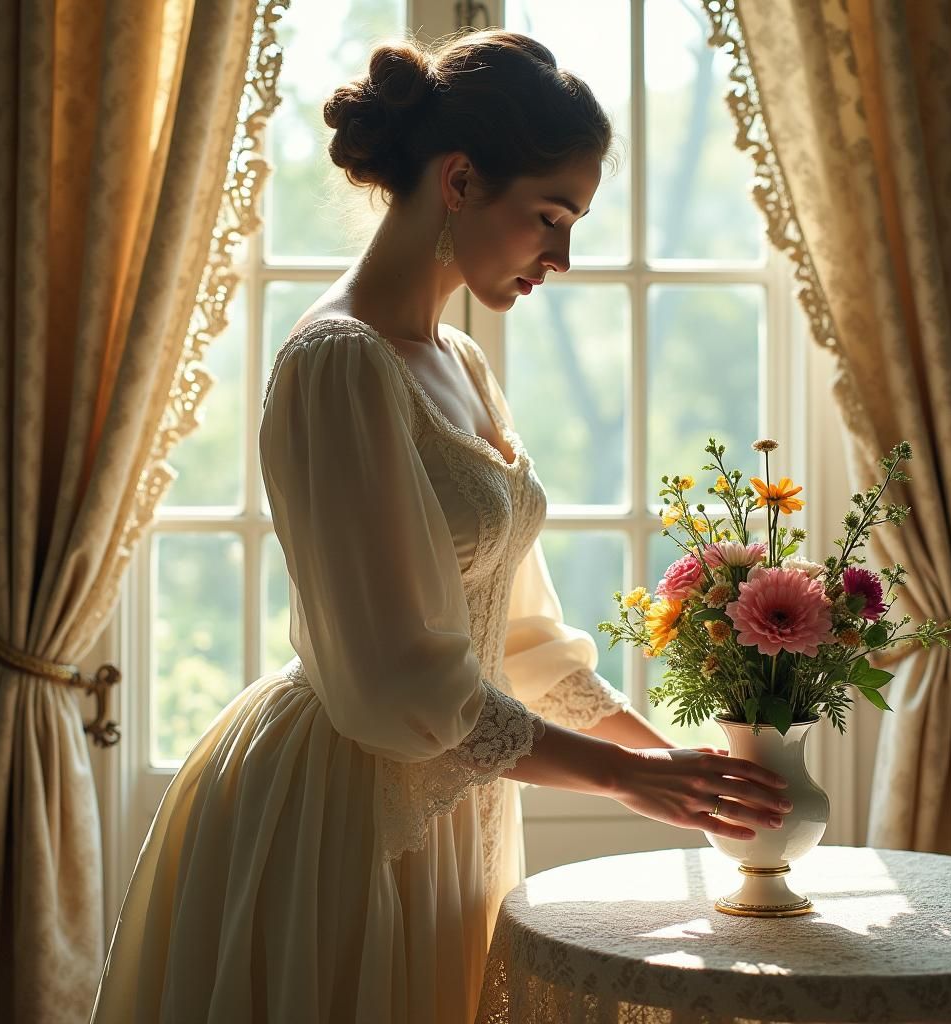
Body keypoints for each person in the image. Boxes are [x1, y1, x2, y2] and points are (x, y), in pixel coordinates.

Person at [89, 28, 791, 1024]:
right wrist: (636, 783)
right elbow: (399, 679)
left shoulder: (459, 364)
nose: (563, 256)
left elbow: (521, 640)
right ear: (459, 179)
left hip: (461, 800)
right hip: (347, 808)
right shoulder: (339, 365)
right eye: (548, 216)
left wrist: (681, 771)